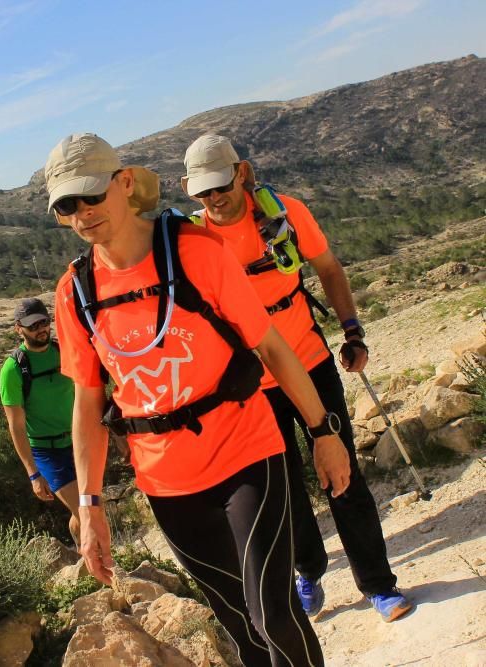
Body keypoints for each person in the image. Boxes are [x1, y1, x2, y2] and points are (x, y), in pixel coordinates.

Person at [46, 132, 351, 666]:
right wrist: (90, 506)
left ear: (123, 184)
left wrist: (324, 433)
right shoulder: (76, 293)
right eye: (67, 205)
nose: (82, 213)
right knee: (239, 625)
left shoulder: (195, 254)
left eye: (91, 195)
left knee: (270, 612)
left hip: (246, 451)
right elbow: (88, 405)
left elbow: (272, 349)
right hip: (167, 481)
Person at [181, 133, 411, 622]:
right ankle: (310, 570)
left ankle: (377, 584)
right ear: (188, 190)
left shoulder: (286, 214)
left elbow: (328, 269)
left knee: (341, 473)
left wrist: (352, 332)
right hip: (251, 383)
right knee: (283, 487)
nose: (214, 198)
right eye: (202, 192)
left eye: (220, 185)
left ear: (241, 172)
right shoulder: (194, 241)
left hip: (307, 360)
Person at [0, 297, 80, 545]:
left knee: (86, 509)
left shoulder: (64, 351)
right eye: (32, 326)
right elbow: (16, 425)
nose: (40, 329)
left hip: (78, 443)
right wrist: (33, 474)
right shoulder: (13, 370)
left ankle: (82, 557)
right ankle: (106, 568)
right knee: (87, 509)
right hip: (46, 452)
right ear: (18, 329)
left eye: (44, 322)